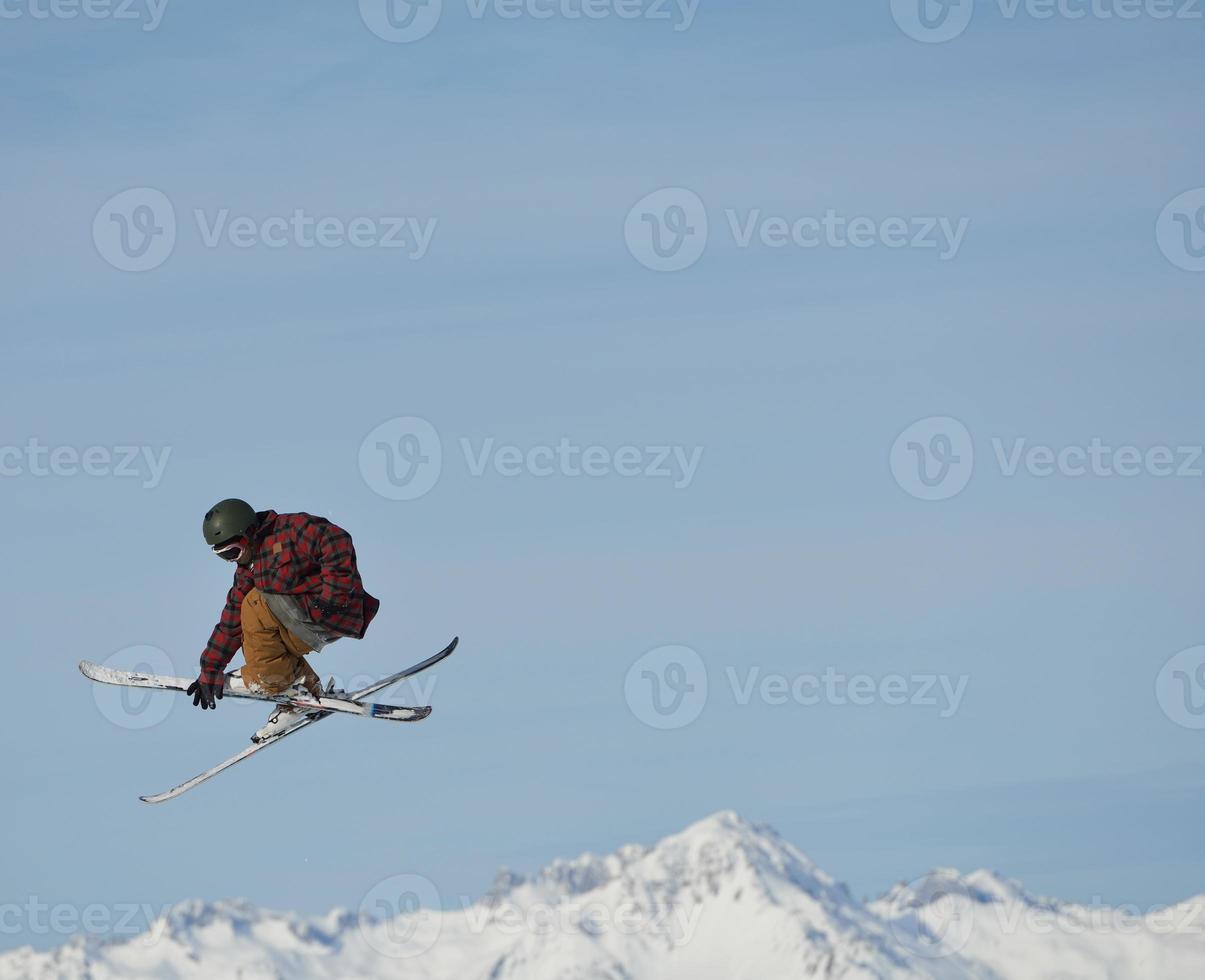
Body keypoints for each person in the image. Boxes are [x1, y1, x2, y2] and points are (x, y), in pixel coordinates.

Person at [188, 499, 379, 735]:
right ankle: (303, 690)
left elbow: (336, 539)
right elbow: (231, 622)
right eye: (223, 556)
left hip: (329, 609)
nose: (233, 560)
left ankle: (268, 679)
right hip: (304, 622)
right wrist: (210, 669)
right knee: (253, 624)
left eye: (233, 551)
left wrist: (334, 596)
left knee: (254, 603)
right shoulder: (249, 569)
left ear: (249, 533)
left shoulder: (288, 531)